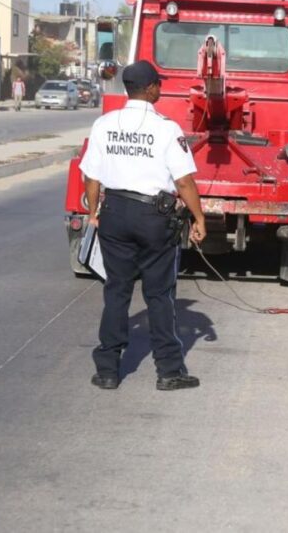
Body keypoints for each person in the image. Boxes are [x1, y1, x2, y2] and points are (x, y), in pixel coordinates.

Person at [79, 60, 207, 391]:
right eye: (158, 85)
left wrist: (94, 212)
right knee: (160, 295)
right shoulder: (166, 128)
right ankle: (169, 371)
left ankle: (108, 369)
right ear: (150, 88)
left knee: (116, 291)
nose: (160, 89)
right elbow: (184, 181)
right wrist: (199, 217)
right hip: (153, 218)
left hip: (114, 213)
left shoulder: (104, 124)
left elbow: (90, 176)